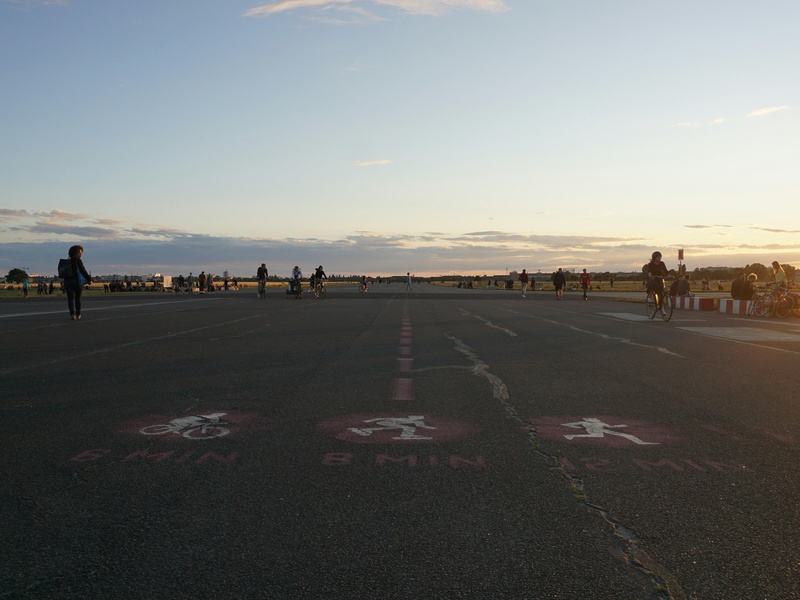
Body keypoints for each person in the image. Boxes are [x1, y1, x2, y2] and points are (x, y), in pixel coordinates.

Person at [63, 244, 92, 320]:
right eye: (80, 252)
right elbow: (83, 270)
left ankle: (72, 314)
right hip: (76, 281)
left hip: (67, 281)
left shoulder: (67, 262)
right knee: (77, 298)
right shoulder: (78, 261)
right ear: (77, 252)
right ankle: (78, 313)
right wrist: (89, 279)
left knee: (70, 298)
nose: (81, 254)